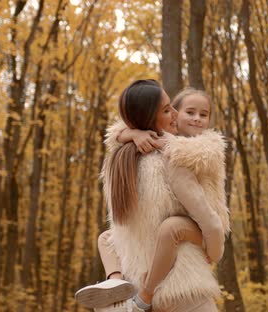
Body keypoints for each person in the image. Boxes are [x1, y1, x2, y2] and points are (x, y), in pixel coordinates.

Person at [75, 81, 229, 312]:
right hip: (184, 283)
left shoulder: (120, 159)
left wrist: (133, 133)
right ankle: (127, 288)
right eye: (169, 110)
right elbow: (206, 217)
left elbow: (116, 135)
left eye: (203, 114)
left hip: (141, 273)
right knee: (126, 234)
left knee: (113, 237)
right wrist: (215, 250)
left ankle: (119, 285)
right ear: (151, 117)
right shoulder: (173, 160)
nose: (191, 118)